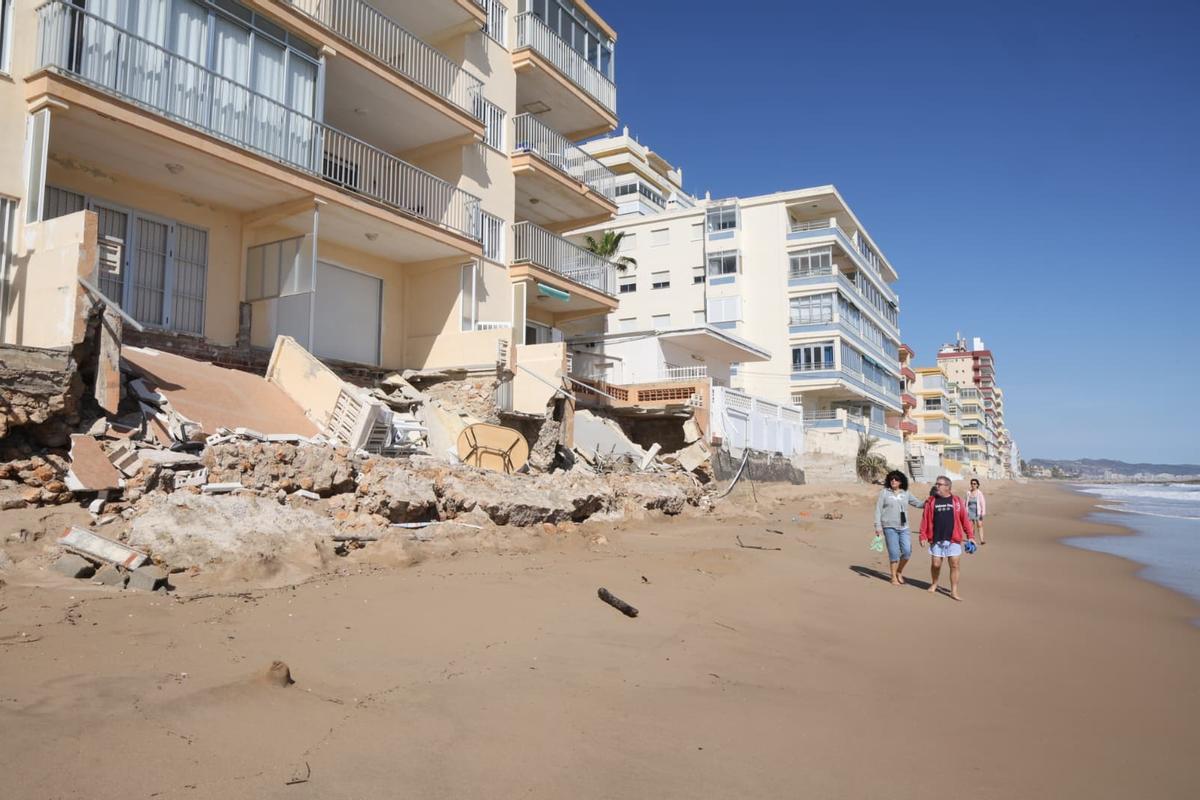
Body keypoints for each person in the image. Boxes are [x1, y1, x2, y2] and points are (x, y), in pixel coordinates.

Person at [919, 475, 975, 601]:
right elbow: (925, 519)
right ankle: (934, 583)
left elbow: (964, 520)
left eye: (939, 484)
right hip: (936, 538)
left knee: (954, 564)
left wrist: (970, 536)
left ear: (948, 487)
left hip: (953, 538)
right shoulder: (931, 501)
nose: (936, 486)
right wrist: (922, 535)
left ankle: (953, 591)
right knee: (936, 564)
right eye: (936, 484)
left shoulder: (956, 501)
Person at [873, 470, 926, 586]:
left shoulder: (906, 493)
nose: (893, 481)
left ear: (901, 482)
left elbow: (918, 503)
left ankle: (899, 571)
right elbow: (878, 510)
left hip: (904, 527)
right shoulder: (884, 493)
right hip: (889, 527)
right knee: (894, 552)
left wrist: (929, 502)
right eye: (891, 479)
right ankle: (893, 577)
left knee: (907, 552)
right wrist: (877, 526)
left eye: (896, 479)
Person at [967, 478, 987, 544]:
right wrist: (965, 511)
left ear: (977, 485)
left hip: (977, 512)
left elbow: (982, 503)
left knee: (979, 525)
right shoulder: (968, 493)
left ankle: (982, 540)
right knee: (971, 526)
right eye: (972, 483)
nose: (973, 485)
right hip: (970, 511)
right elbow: (966, 503)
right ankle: (972, 539)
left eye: (974, 484)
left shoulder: (979, 493)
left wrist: (982, 512)